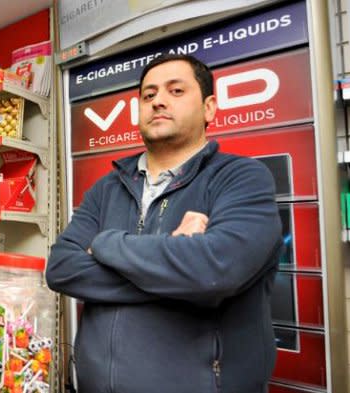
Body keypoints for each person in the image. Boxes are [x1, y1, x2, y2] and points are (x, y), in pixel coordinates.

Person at [46, 53, 283, 393]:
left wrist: (104, 243)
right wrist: (177, 274)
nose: (158, 101)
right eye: (149, 94)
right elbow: (62, 268)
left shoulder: (242, 178)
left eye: (175, 91)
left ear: (209, 108)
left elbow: (215, 270)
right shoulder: (106, 188)